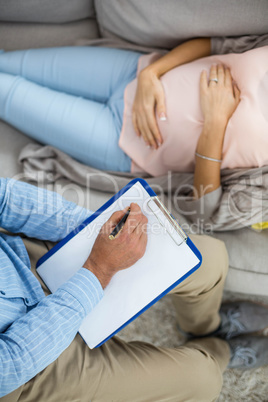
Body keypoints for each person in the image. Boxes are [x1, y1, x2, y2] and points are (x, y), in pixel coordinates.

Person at [1, 177, 268, 402]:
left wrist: (93, 231)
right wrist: (99, 269)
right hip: (26, 370)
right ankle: (219, 349)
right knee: (203, 379)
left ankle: (203, 326)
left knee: (210, 258)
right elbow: (10, 365)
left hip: (26, 261)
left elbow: (5, 199)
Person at [0, 39, 267, 201]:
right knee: (7, 63)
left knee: (5, 93)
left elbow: (207, 208)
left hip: (124, 142)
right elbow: (216, 44)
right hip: (131, 73)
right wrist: (151, 73)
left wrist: (215, 123)